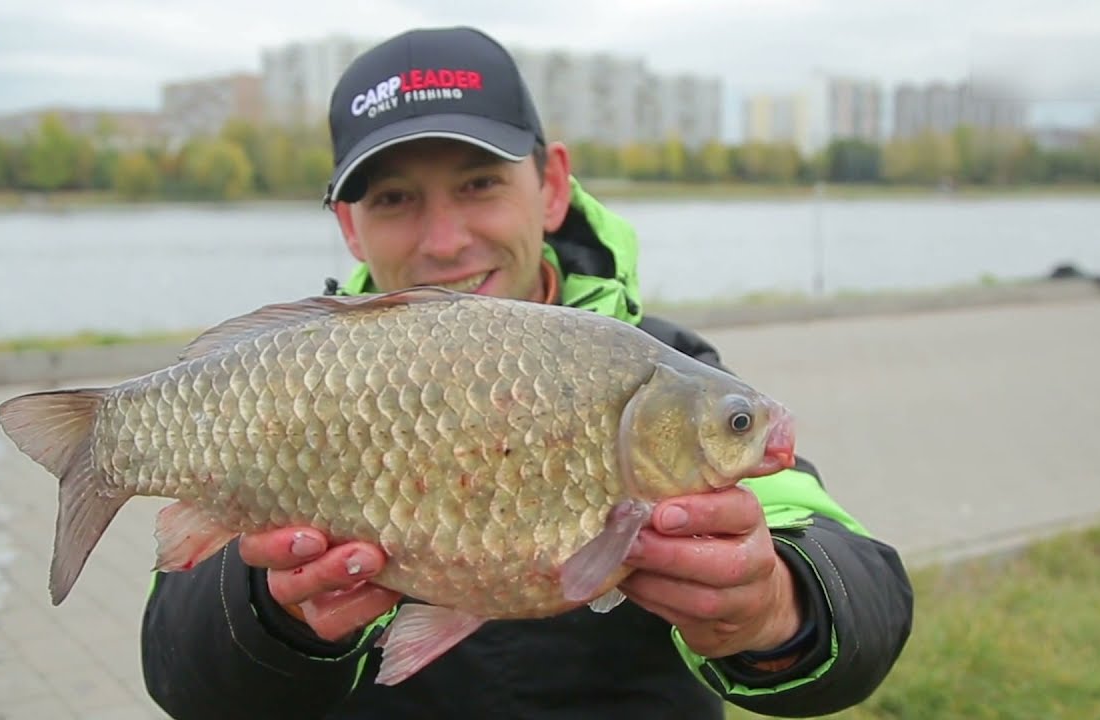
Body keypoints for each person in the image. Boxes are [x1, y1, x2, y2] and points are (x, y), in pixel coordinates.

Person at [140, 25, 913, 719]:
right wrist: (270, 611)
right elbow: (179, 671)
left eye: (479, 184)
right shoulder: (301, 384)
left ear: (550, 186)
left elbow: (858, 575)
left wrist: (778, 603)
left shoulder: (664, 375)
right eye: (396, 198)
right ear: (348, 225)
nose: (445, 241)